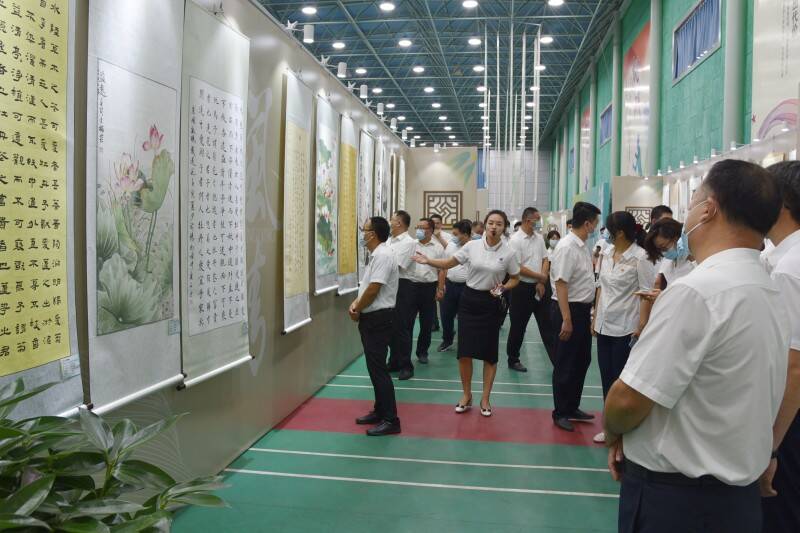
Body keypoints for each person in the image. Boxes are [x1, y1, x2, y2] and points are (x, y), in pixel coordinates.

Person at [603, 159, 789, 533]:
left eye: (692, 203)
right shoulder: (771, 289)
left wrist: (612, 434)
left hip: (678, 502)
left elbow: (628, 400)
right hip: (738, 500)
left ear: (709, 209)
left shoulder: (696, 292)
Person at [413, 210, 520, 417]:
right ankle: (466, 395)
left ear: (504, 227)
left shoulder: (509, 252)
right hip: (469, 301)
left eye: (498, 224)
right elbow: (449, 263)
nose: (494, 227)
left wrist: (504, 287)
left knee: (489, 354)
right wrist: (429, 261)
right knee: (465, 352)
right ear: (485, 225)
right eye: (491, 223)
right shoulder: (472, 246)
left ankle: (485, 398)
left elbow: (515, 277)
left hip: (491, 303)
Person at [761, 161, 800, 532]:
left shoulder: (790, 267)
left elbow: (795, 366)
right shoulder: (781, 258)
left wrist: (771, 446)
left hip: (791, 420)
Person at [591, 212, 653, 444]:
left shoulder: (641, 257)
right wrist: (595, 318)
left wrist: (641, 326)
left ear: (619, 233)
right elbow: (600, 287)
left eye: (607, 230)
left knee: (622, 382)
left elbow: (646, 294)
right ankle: (609, 428)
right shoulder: (606, 253)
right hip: (604, 325)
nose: (604, 234)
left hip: (626, 329)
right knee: (606, 379)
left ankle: (624, 432)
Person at [550, 201, 602, 432]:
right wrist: (567, 319)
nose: (597, 227)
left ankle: (572, 406)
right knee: (565, 363)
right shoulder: (567, 247)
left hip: (581, 311)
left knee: (582, 360)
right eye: (596, 223)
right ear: (588, 224)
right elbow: (561, 284)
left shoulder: (581, 246)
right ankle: (560, 411)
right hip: (567, 310)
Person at [349, 216, 401, 437]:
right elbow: (367, 287)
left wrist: (358, 308)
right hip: (373, 318)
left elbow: (374, 289)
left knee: (378, 369)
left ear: (373, 234)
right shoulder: (377, 254)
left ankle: (391, 419)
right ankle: (380, 411)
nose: (362, 233)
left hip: (379, 319)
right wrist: (356, 304)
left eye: (365, 229)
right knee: (374, 367)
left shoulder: (383, 255)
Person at [396, 218, 444, 376]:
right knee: (406, 324)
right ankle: (405, 357)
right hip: (410, 287)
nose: (419, 230)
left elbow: (442, 270)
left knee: (427, 323)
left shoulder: (437, 247)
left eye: (422, 228)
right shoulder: (411, 245)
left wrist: (440, 288)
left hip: (429, 287)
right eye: (417, 227)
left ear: (431, 230)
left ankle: (422, 351)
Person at [507, 207, 549, 372]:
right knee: (518, 326)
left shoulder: (539, 238)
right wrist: (540, 277)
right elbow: (517, 267)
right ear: (527, 220)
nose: (539, 222)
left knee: (547, 325)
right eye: (537, 219)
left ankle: (556, 359)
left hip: (540, 286)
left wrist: (541, 280)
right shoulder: (515, 240)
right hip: (521, 288)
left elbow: (545, 259)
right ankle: (513, 359)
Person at [387, 210, 417, 378]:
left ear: (399, 223)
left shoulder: (408, 242)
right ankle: (394, 361)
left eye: (392, 219)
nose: (390, 222)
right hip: (389, 286)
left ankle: (406, 365)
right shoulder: (389, 240)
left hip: (403, 286)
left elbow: (397, 265)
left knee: (402, 327)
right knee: (391, 326)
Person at [437, 219, 472, 353]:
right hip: (450, 285)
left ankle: (465, 343)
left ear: (466, 234)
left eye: (456, 234)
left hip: (467, 288)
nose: (453, 237)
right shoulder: (451, 246)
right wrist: (441, 288)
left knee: (465, 317)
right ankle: (447, 340)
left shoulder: (475, 247)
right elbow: (443, 267)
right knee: (446, 315)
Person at [429, 214, 450, 332]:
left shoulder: (448, 236)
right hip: (431, 271)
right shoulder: (427, 235)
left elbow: (451, 251)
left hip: (445, 271)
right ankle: (433, 323)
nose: (435, 225)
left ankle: (446, 326)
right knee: (430, 299)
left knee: (443, 298)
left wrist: (439, 237)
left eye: (437, 223)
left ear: (441, 224)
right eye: (433, 223)